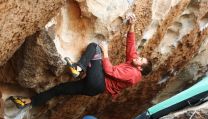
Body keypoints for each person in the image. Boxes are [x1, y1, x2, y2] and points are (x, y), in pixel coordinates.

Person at [8, 15, 152, 109]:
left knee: (95, 47)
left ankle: (78, 68)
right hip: (93, 88)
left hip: (99, 82)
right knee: (60, 89)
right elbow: (131, 49)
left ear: (140, 68)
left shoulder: (133, 75)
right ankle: (30, 102)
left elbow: (109, 71)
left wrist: (105, 51)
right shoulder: (134, 65)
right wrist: (132, 26)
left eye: (140, 59)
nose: (138, 57)